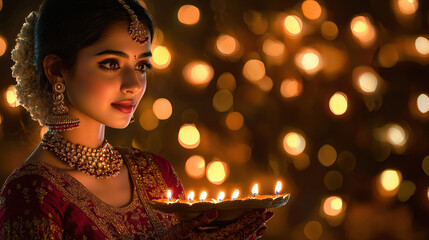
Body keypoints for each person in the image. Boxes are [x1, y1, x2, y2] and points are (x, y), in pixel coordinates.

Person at [0, 0, 274, 239]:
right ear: (57, 70)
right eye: (111, 64)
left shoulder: (154, 173)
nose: (133, 84)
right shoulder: (31, 192)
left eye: (141, 65)